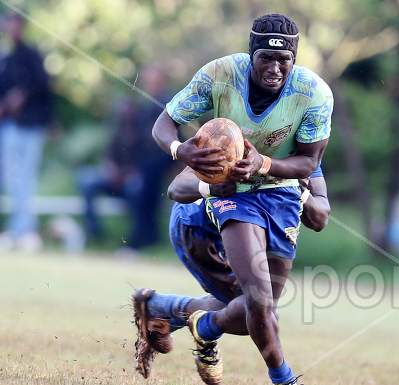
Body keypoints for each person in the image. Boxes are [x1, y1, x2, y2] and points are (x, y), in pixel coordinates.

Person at [137, 13, 333, 385]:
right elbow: (174, 173)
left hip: (280, 200)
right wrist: (183, 152)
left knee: (257, 313)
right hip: (228, 203)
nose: (274, 68)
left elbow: (313, 180)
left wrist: (292, 187)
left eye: (283, 61)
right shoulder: (220, 103)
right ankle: (283, 378)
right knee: (258, 303)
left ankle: (190, 321)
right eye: (266, 59)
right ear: (251, 56)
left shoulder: (313, 97)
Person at [133, 165, 330, 382]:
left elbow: (320, 218)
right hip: (201, 228)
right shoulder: (238, 138)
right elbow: (178, 185)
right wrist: (209, 185)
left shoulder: (305, 152)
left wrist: (299, 190)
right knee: (260, 311)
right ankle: (282, 377)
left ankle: (163, 311)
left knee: (260, 310)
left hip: (237, 228)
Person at [77, 65, 175, 252]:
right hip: (127, 173)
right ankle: (97, 235)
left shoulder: (158, 108)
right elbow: (107, 155)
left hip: (145, 170)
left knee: (139, 191)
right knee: (86, 179)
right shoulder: (119, 129)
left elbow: (150, 149)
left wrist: (129, 172)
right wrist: (111, 169)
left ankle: (140, 239)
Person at [0, 13, 54, 252]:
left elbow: (43, 85)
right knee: (11, 178)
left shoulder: (32, 55)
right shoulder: (7, 58)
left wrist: (22, 95)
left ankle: (24, 229)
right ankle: (19, 226)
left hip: (30, 126)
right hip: (11, 126)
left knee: (25, 177)